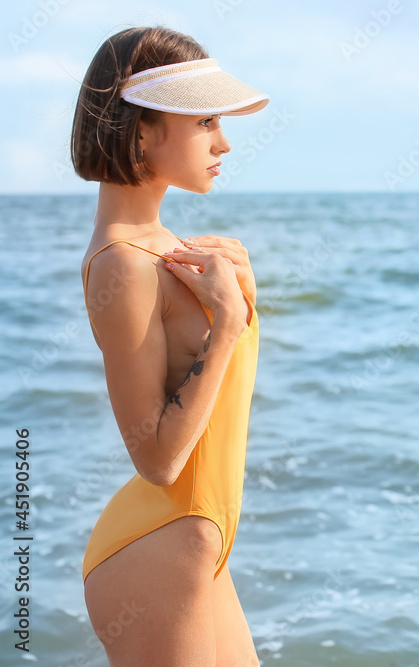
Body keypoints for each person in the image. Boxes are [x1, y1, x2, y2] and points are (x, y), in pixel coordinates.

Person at [71, 26, 269, 666]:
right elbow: (156, 459)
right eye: (205, 120)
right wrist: (230, 324)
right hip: (158, 549)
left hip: (198, 542)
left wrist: (234, 298)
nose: (224, 142)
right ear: (142, 132)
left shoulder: (168, 248)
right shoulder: (121, 264)